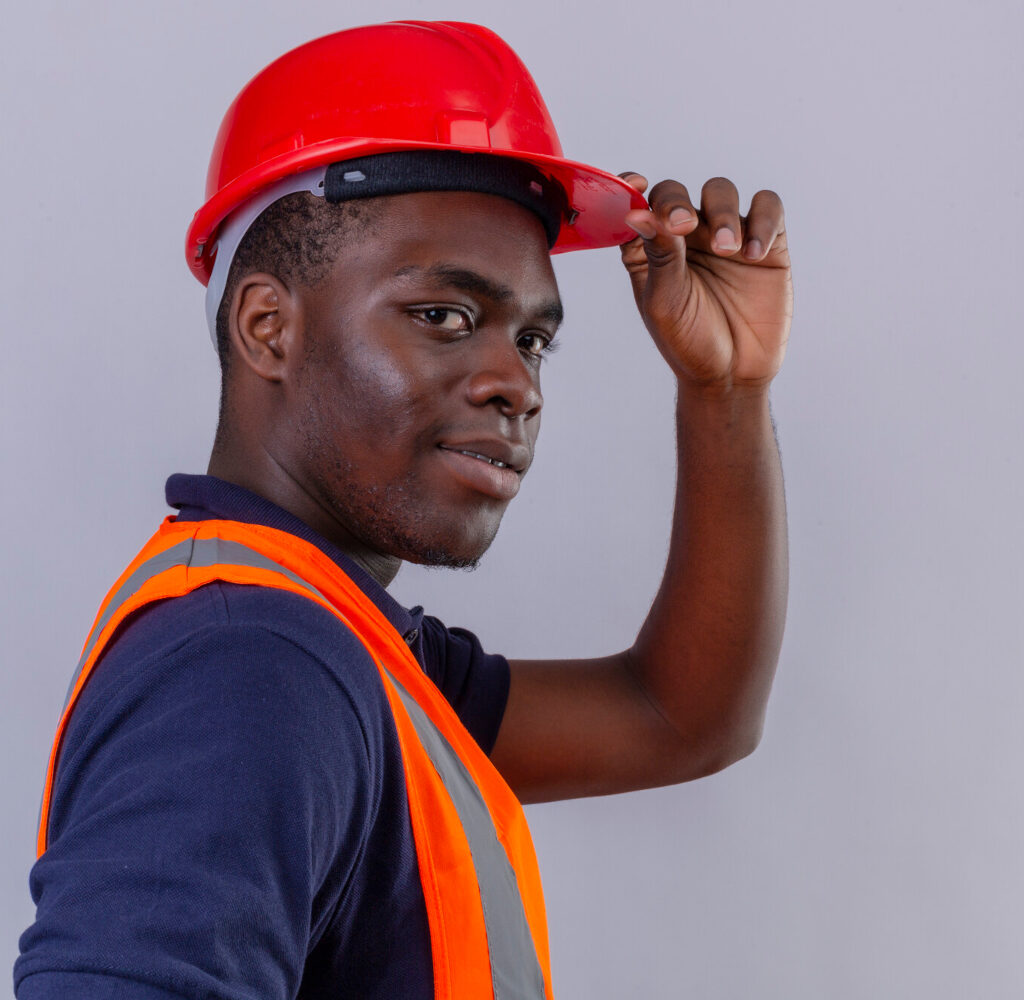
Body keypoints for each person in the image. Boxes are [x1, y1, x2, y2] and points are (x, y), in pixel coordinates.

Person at [14, 20, 791, 1000]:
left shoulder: (343, 647)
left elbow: (675, 715)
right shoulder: (251, 662)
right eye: (443, 317)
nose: (516, 382)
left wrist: (726, 390)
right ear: (268, 327)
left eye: (533, 340)